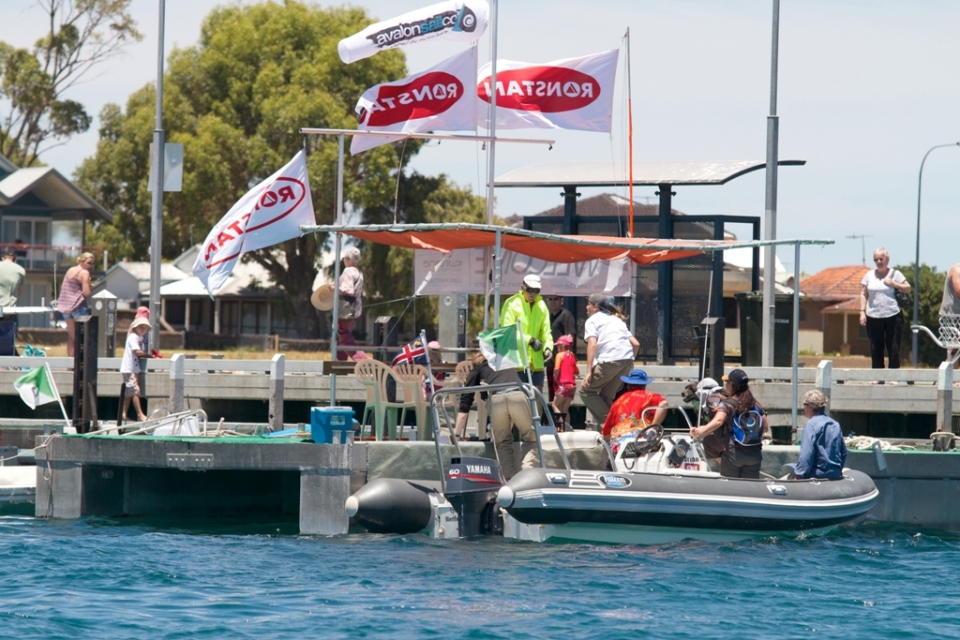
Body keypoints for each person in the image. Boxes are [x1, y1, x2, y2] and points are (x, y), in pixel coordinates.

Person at [454, 352, 535, 480]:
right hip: (517, 394)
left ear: (475, 362)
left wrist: (456, 435)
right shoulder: (506, 364)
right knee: (530, 439)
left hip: (497, 399)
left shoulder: (477, 368)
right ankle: (527, 477)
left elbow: (465, 402)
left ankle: (509, 481)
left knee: (503, 443)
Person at [689, 368, 768, 479]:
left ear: (732, 385)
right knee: (750, 489)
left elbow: (719, 421)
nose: (725, 384)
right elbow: (765, 427)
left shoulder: (727, 404)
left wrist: (701, 431)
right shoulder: (755, 403)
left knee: (731, 487)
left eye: (727, 382)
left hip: (733, 453)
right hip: (755, 454)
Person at [579, 293, 639, 428]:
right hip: (627, 361)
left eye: (588, 304)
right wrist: (627, 364)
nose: (586, 307)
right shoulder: (617, 320)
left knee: (586, 391)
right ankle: (616, 431)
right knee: (606, 397)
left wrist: (588, 371)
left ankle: (614, 427)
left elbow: (592, 344)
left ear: (595, 307)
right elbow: (636, 344)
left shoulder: (592, 320)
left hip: (610, 360)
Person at [859, 247, 910, 374]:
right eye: (876, 259)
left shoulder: (895, 273)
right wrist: (862, 312)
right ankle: (877, 375)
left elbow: (907, 288)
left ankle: (893, 375)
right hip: (873, 315)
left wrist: (894, 283)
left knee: (893, 346)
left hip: (893, 315)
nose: (879, 262)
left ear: (887, 259)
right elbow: (863, 294)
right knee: (876, 347)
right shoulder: (869, 275)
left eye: (881, 259)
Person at [500, 274, 553, 391]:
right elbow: (507, 332)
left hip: (536, 363)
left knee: (537, 399)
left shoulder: (542, 306)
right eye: (529, 290)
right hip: (517, 363)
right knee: (519, 401)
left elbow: (546, 331)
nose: (532, 293)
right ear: (522, 287)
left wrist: (548, 347)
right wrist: (530, 340)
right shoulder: (511, 303)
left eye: (536, 290)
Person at [602, 369, 668, 448]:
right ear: (644, 385)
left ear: (628, 384)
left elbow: (606, 433)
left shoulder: (618, 402)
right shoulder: (650, 397)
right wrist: (653, 427)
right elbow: (664, 403)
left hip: (620, 446)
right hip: (641, 442)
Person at [789, 390, 848, 480]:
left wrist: (799, 475)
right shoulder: (835, 424)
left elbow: (807, 454)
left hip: (817, 474)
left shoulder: (810, 425)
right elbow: (844, 452)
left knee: (792, 473)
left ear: (809, 406)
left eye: (804, 404)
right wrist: (837, 471)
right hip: (835, 474)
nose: (803, 408)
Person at [58, 252, 93, 356]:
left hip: (66, 307)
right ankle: (79, 362)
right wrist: (90, 285)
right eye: (89, 263)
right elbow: (86, 292)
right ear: (82, 261)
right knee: (82, 337)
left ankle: (70, 364)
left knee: (71, 336)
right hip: (79, 307)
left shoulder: (70, 270)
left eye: (92, 264)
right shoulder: (84, 272)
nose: (91, 266)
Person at [337, 246, 368, 361]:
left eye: (344, 258)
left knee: (343, 337)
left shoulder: (348, 271)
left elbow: (348, 290)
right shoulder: (359, 272)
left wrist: (334, 288)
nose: (344, 260)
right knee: (341, 336)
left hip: (346, 308)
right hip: (356, 308)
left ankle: (363, 360)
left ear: (348, 259)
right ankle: (339, 364)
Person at [543, 293, 576, 402]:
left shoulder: (566, 315)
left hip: (562, 362)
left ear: (562, 300)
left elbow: (570, 337)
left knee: (562, 395)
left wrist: (567, 358)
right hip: (551, 360)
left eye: (556, 299)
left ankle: (561, 416)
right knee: (552, 393)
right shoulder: (549, 317)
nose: (553, 301)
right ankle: (554, 416)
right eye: (550, 299)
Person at [120, 317, 151, 422]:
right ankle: (140, 414)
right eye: (141, 327)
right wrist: (149, 355)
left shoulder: (136, 337)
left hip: (132, 368)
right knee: (135, 391)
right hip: (129, 368)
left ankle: (123, 414)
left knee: (129, 392)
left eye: (145, 328)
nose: (143, 329)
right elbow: (137, 352)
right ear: (135, 327)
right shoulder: (133, 337)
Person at [693, 377, 727, 466]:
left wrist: (701, 432)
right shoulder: (723, 397)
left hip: (729, 439)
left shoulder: (713, 400)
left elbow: (718, 422)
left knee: (707, 442)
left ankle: (727, 467)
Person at [550, 335, 577, 427]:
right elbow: (577, 371)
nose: (557, 348)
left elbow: (556, 369)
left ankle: (560, 427)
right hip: (572, 386)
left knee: (554, 405)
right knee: (564, 409)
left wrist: (555, 378)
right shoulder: (572, 356)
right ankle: (568, 426)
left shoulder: (559, 355)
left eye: (558, 346)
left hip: (563, 385)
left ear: (562, 346)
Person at [0, 250, 26, 327]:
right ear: (15, 261)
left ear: (3, 258)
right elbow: (20, 292)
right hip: (10, 310)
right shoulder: (21, 270)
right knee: (9, 336)